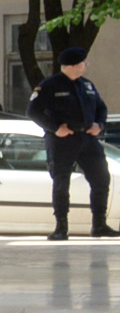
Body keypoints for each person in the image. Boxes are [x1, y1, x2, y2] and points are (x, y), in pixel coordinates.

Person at [30, 44, 111, 238]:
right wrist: (56, 128)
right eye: (83, 62)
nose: (86, 65)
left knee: (101, 178)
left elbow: (101, 108)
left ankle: (99, 225)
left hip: (87, 138)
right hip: (62, 140)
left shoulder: (87, 85)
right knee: (61, 182)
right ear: (73, 65)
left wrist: (99, 125)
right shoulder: (50, 85)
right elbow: (33, 111)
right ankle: (61, 228)